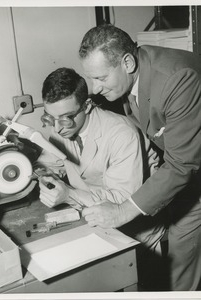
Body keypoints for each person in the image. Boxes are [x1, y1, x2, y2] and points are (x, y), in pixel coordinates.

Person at [78, 24, 201, 291]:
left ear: (128, 62)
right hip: (186, 167)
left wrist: (122, 211)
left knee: (180, 257)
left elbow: (182, 165)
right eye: (91, 78)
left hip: (193, 172)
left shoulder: (177, 79)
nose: (95, 88)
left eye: (100, 78)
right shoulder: (128, 81)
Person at [37, 67, 165, 252]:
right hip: (95, 222)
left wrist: (69, 194)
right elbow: (48, 164)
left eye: (66, 118)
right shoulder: (62, 127)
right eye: (50, 118)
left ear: (87, 106)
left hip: (136, 231)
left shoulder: (121, 134)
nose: (57, 129)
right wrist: (44, 178)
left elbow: (122, 201)